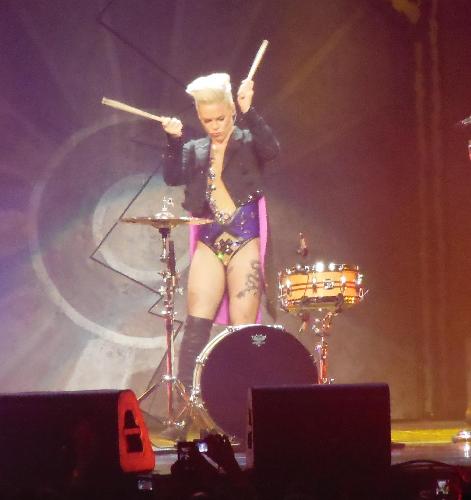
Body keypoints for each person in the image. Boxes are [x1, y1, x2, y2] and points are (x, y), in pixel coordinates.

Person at [161, 73, 279, 390]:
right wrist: (174, 140)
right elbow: (172, 177)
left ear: (231, 112)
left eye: (220, 119)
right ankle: (187, 402)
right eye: (207, 120)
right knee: (196, 324)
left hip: (245, 238)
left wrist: (249, 110)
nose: (214, 126)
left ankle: (244, 401)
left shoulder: (248, 141)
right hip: (210, 240)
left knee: (243, 329)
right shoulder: (195, 149)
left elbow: (271, 150)